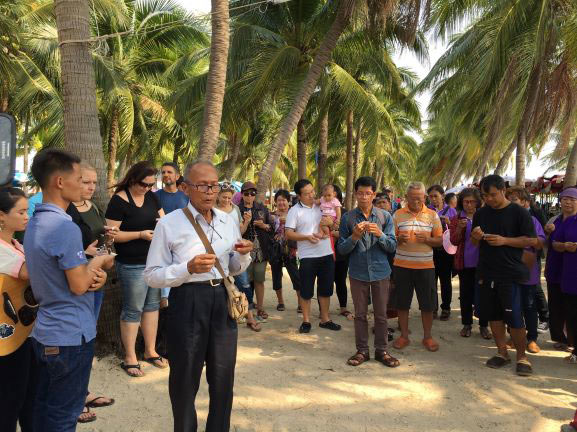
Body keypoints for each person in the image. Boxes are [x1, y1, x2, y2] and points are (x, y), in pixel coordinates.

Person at [143, 161, 253, 432]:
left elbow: (234, 268)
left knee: (223, 377)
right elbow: (152, 275)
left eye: (214, 185)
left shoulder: (228, 220)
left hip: (223, 301)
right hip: (188, 299)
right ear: (185, 188)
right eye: (202, 185)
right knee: (184, 378)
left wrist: (243, 253)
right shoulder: (169, 224)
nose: (209, 191)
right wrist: (187, 268)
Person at [24, 149, 111, 431]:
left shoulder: (37, 220)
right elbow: (78, 285)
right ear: (60, 182)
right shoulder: (65, 226)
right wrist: (100, 258)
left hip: (46, 330)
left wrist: (89, 270)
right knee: (64, 415)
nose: (83, 184)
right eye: (78, 178)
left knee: (42, 410)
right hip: (69, 335)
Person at [105, 161, 167, 377]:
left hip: (153, 261)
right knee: (133, 309)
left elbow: (164, 220)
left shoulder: (152, 196)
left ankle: (150, 350)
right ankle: (130, 357)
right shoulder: (118, 201)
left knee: (152, 307)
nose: (148, 188)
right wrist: (140, 234)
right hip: (131, 263)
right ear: (133, 179)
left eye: (152, 185)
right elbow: (112, 235)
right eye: (144, 184)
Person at [471, 175, 537, 376]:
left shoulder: (519, 212)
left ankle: (522, 357)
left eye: (492, 195)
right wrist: (474, 238)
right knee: (493, 316)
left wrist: (504, 241)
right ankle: (502, 353)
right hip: (487, 272)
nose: (489, 199)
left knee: (515, 318)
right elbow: (475, 244)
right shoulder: (481, 213)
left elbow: (531, 241)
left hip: (510, 273)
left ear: (502, 191)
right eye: (485, 196)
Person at [70, 163, 117, 422]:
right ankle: (74, 400)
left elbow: (101, 250)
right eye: (85, 182)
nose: (90, 187)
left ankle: (83, 391)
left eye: (94, 183)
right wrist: (91, 253)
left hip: (97, 282)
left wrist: (109, 241)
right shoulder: (64, 210)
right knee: (75, 343)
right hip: (76, 283)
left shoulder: (95, 208)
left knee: (88, 340)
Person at [338, 177, 399, 368]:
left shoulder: (384, 217)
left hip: (381, 272)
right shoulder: (347, 218)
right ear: (355, 194)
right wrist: (354, 236)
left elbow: (392, 246)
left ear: (374, 194)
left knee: (381, 314)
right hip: (357, 272)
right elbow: (341, 249)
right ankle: (362, 350)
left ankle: (382, 350)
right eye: (360, 193)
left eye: (368, 193)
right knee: (360, 314)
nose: (364, 197)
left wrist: (380, 235)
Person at [0, 187, 37, 432]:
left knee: (25, 397)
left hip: (22, 332)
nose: (27, 216)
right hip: (8, 338)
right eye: (21, 211)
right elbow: (31, 273)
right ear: (1, 216)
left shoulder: (14, 243)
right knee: (9, 401)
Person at [285, 179, 341, 333]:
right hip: (307, 256)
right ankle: (306, 321)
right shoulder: (294, 211)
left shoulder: (323, 205)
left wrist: (331, 223)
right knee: (306, 290)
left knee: (325, 289)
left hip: (326, 254)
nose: (311, 195)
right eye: (307, 193)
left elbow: (336, 226)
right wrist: (306, 237)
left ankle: (325, 319)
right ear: (299, 196)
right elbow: (288, 233)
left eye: (312, 191)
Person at [392, 181, 443, 352]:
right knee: (402, 303)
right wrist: (398, 239)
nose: (415, 201)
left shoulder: (432, 215)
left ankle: (427, 337)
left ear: (424, 197)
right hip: (402, 266)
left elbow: (440, 241)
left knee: (427, 304)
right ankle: (404, 336)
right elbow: (390, 239)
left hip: (425, 267)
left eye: (419, 198)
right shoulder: (397, 215)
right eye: (412, 198)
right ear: (406, 197)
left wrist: (427, 239)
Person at [506, 186, 546, 354]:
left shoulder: (533, 220)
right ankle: (514, 337)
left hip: (527, 269)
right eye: (509, 199)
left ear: (524, 202)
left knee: (529, 306)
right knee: (511, 305)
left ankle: (532, 338)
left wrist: (525, 241)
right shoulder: (503, 219)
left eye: (514, 200)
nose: (511, 203)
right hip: (508, 268)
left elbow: (540, 243)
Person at [216, 183, 261, 332]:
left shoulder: (235, 209)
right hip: (219, 252)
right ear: (218, 196)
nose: (227, 200)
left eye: (229, 198)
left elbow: (239, 231)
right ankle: (226, 316)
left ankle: (249, 316)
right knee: (220, 284)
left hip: (235, 250)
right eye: (224, 197)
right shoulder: (213, 210)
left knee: (244, 284)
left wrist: (246, 221)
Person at [448, 188, 491, 339]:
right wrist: (459, 228)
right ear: (461, 202)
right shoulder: (458, 218)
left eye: (472, 201)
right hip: (464, 262)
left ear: (478, 202)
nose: (469, 204)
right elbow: (453, 240)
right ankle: (467, 324)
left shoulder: (486, 216)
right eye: (466, 201)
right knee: (466, 295)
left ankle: (484, 326)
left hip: (483, 263)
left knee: (484, 295)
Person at [545, 188, 577, 351]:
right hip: (554, 268)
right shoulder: (554, 220)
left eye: (572, 199)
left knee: (571, 307)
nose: (568, 202)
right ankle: (560, 338)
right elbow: (543, 243)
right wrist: (546, 232)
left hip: (572, 272)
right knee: (555, 305)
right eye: (565, 199)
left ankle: (572, 341)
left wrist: (567, 247)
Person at [238, 181, 273, 322]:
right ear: (242, 195)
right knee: (245, 281)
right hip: (244, 251)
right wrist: (246, 222)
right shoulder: (237, 210)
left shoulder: (262, 209)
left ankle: (260, 308)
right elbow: (235, 232)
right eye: (247, 193)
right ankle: (246, 309)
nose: (250, 196)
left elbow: (272, 228)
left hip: (260, 250)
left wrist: (263, 225)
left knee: (259, 279)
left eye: (253, 193)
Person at [155, 162, 189, 307]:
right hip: (160, 245)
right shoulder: (154, 197)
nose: (166, 175)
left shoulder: (185, 197)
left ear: (177, 176)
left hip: (182, 246)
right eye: (163, 172)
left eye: (169, 172)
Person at [427, 184, 457, 320]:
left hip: (446, 251)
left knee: (445, 281)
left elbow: (456, 232)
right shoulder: (427, 211)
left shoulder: (452, 211)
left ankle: (446, 308)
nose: (433, 199)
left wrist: (449, 223)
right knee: (431, 281)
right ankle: (433, 308)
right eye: (431, 196)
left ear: (443, 196)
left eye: (436, 196)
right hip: (431, 249)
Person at [269, 189, 301, 312]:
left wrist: (288, 221)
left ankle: (300, 303)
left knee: (296, 276)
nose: (281, 203)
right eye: (279, 200)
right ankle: (280, 302)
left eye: (284, 200)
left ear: (288, 201)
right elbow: (267, 231)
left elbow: (300, 229)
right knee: (276, 276)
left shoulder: (295, 215)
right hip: (275, 251)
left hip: (291, 250)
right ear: (275, 202)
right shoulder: (270, 216)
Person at [332, 185, 353, 320]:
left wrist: (337, 234)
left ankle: (343, 307)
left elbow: (351, 235)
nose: (331, 200)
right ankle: (323, 308)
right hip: (325, 253)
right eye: (328, 197)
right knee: (325, 281)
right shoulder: (320, 212)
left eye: (334, 197)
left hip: (341, 254)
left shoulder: (346, 214)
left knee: (340, 281)